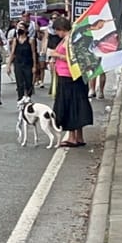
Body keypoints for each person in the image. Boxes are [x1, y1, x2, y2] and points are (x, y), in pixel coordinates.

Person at [50, 17, 93, 147]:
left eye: (57, 31)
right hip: (72, 75)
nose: (57, 34)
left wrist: (56, 55)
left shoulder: (70, 40)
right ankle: (79, 136)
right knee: (77, 104)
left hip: (69, 76)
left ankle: (73, 137)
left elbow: (72, 58)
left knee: (69, 106)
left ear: (61, 29)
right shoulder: (72, 38)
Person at [7, 22, 38, 100]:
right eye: (19, 28)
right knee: (19, 83)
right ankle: (20, 99)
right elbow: (12, 53)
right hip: (18, 63)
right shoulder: (15, 40)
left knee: (28, 82)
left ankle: (28, 97)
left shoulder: (30, 40)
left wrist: (34, 66)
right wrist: (8, 65)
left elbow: (33, 53)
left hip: (28, 63)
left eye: (22, 28)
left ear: (26, 29)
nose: (20, 29)